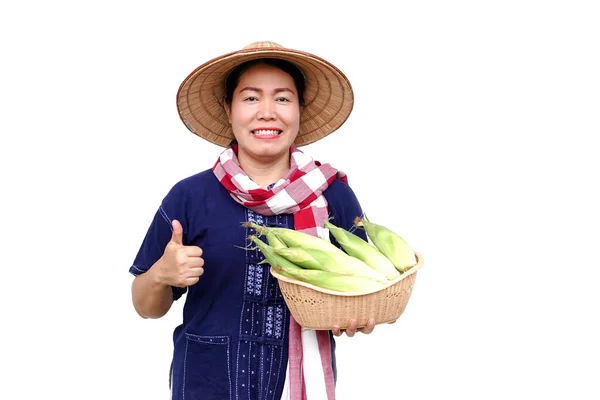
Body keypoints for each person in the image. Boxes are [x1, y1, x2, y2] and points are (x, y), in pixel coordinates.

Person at [129, 41, 378, 400]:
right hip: (206, 384)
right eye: (250, 98)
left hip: (296, 385)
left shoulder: (331, 194)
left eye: (282, 98)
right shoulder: (190, 196)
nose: (267, 112)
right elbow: (144, 306)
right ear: (228, 110)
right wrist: (160, 275)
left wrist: (357, 315)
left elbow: (363, 290)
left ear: (299, 110)